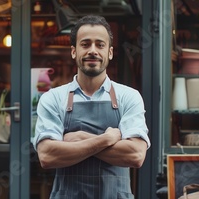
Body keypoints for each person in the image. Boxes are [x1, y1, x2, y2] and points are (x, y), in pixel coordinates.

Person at [32, 15, 150, 199]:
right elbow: (47, 156)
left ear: (110, 52)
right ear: (74, 51)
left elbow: (135, 155)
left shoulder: (129, 97)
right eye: (85, 44)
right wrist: (108, 139)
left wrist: (79, 138)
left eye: (100, 45)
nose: (92, 51)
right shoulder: (53, 98)